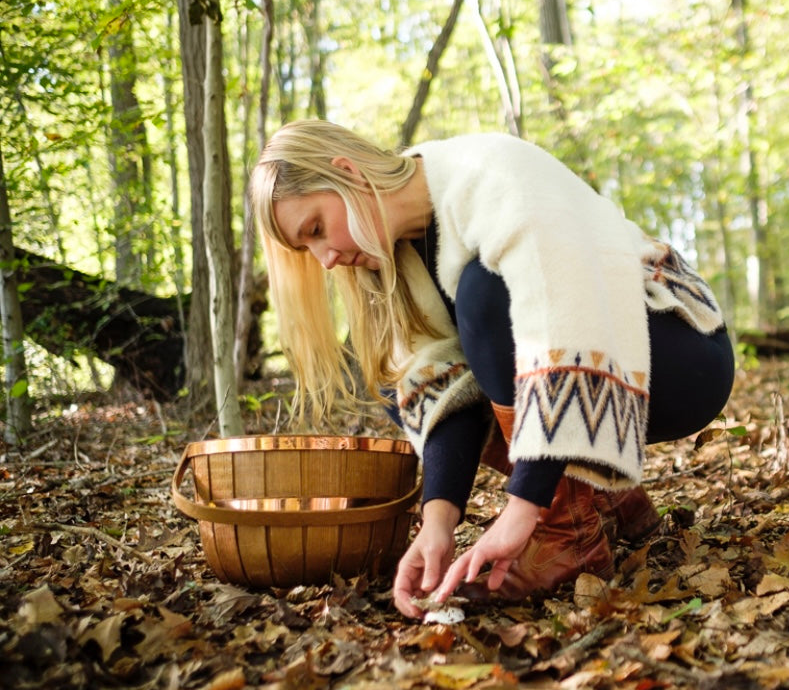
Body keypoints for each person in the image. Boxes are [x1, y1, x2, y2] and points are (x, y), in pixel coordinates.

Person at [248, 119, 735, 618]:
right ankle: (606, 498)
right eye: (306, 248)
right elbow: (446, 396)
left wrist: (523, 509)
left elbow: (567, 322)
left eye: (316, 229)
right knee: (383, 364)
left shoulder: (488, 172)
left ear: (347, 172)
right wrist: (437, 521)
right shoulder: (389, 263)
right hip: (604, 382)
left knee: (485, 291)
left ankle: (564, 528)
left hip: (677, 347)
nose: (325, 259)